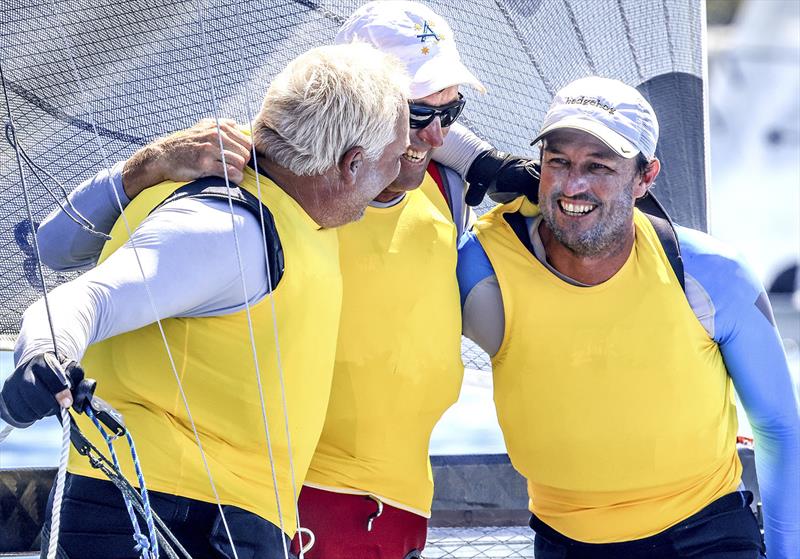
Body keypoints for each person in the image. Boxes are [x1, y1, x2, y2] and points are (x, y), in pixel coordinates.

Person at [25, 3, 537, 557]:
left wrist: (478, 154)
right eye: (413, 114)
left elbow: (430, 139)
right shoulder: (239, 170)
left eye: (451, 111)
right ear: (356, 139)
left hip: (382, 507)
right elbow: (66, 269)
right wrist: (141, 167)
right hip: (240, 505)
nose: (436, 136)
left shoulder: (439, 184)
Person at [0, 42, 410, 559]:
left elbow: (54, 248)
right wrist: (40, 356)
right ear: (351, 165)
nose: (400, 178)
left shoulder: (285, 190)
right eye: (394, 162)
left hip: (203, 517)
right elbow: (83, 298)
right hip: (165, 515)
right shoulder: (230, 230)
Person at [457, 76, 800, 558]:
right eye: (558, 162)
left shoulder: (710, 274)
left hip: (705, 536)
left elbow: (779, 427)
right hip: (565, 542)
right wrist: (478, 160)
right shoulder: (483, 265)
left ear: (645, 177)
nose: (574, 184)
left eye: (599, 166)